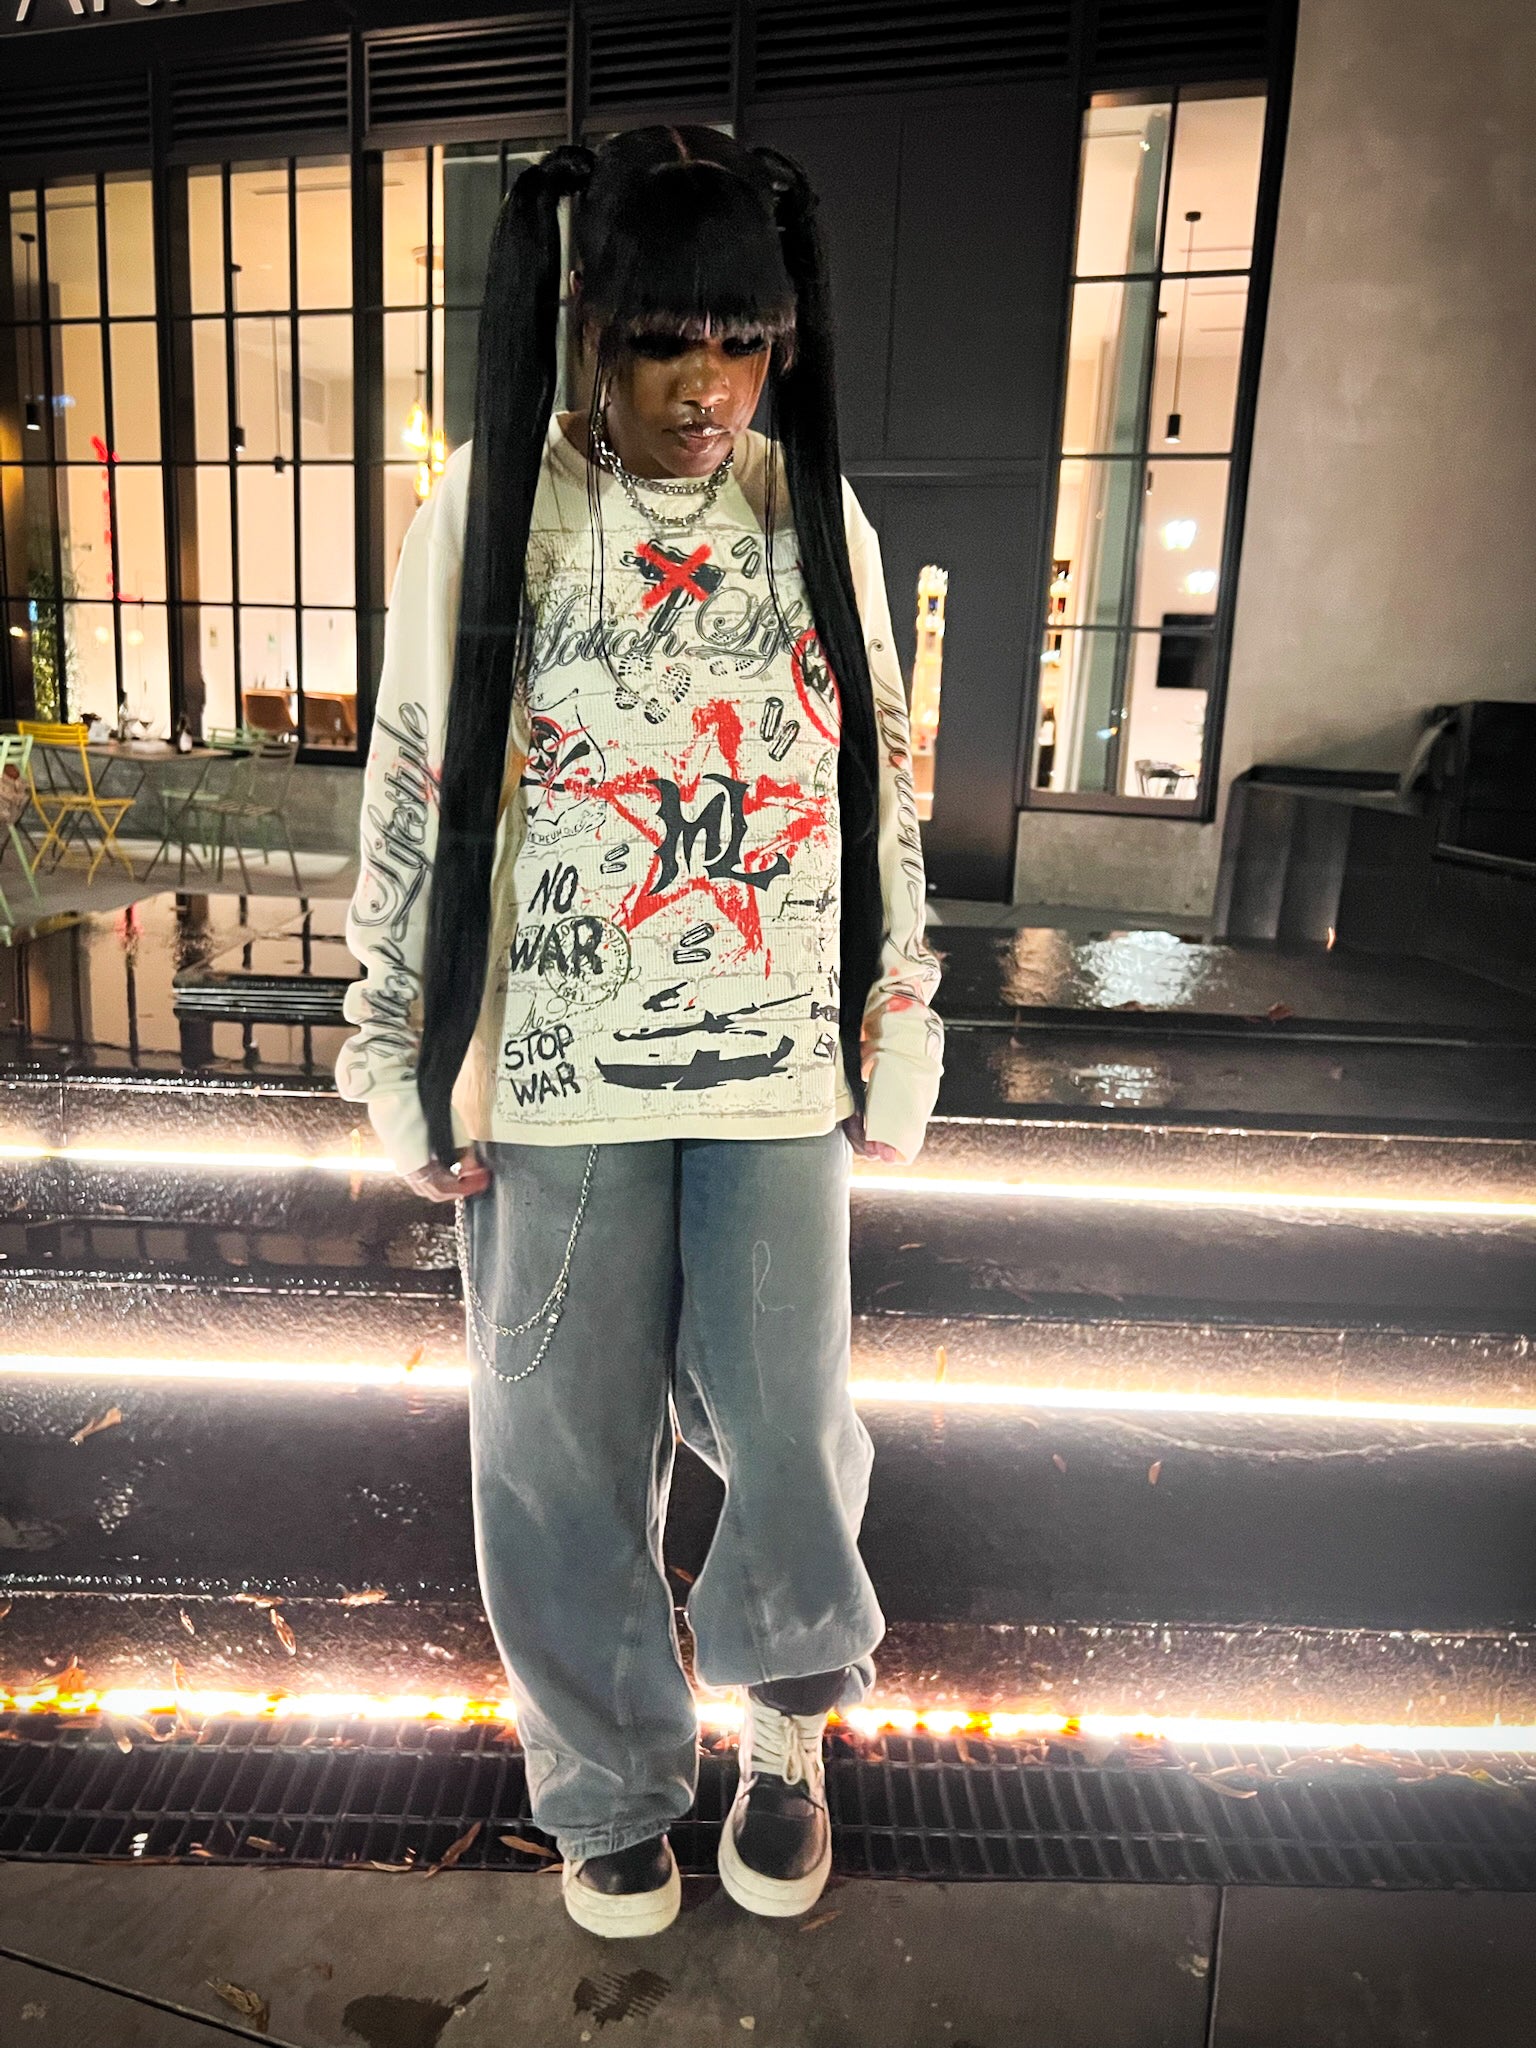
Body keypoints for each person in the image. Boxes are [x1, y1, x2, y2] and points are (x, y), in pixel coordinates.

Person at [336, 125, 943, 1939]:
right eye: (666, 342)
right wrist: (395, 1050)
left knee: (792, 1431)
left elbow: (877, 779)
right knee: (556, 1453)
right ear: (588, 323)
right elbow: (414, 779)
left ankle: (786, 1732)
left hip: (775, 1068)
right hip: (550, 1071)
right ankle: (606, 1783)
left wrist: (896, 1018)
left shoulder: (809, 507)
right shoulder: (491, 505)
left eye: (745, 343)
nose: (708, 388)